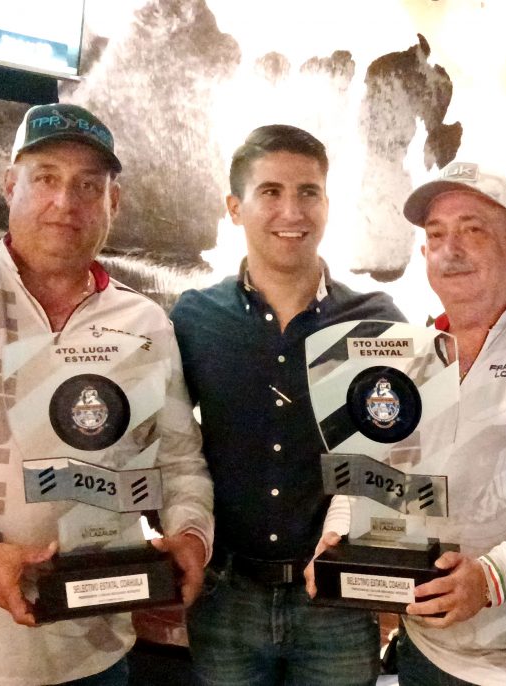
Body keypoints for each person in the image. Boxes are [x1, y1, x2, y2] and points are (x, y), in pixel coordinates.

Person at [0, 103, 213, 685]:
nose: (66, 202)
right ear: (10, 186)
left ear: (113, 202)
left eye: (88, 185)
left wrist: (191, 534)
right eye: (46, 178)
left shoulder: (144, 321)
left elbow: (179, 460)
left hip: (96, 659)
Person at [308, 161, 506, 684]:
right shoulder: (405, 355)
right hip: (424, 650)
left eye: (472, 230)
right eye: (436, 235)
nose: (450, 249)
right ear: (423, 255)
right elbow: (367, 469)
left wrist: (491, 578)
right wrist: (338, 538)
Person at [173, 124, 401, 685]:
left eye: (308, 192)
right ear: (235, 208)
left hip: (336, 600)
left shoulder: (376, 318)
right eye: (270, 192)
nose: (291, 211)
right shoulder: (193, 318)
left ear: (327, 203)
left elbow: (399, 458)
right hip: (225, 596)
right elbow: (165, 448)